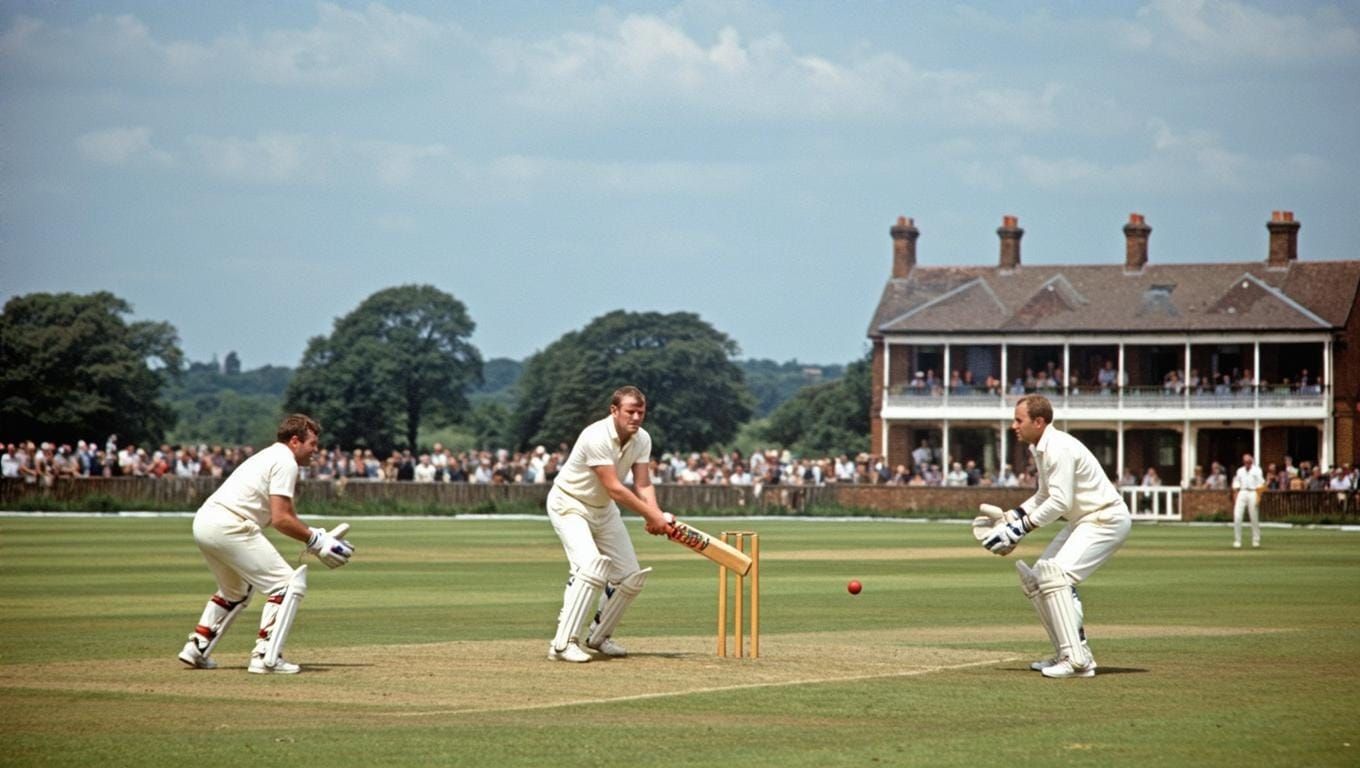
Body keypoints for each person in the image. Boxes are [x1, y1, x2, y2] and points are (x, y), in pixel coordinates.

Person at [177, 414, 353, 674]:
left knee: (235, 591)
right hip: (230, 525)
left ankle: (196, 647)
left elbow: (276, 516)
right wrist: (315, 541)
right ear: (295, 441)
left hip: (205, 522)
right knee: (286, 584)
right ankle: (266, 656)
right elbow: (282, 519)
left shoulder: (269, 456)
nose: (316, 450)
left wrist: (316, 535)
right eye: (313, 443)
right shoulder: (286, 462)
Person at [980, 394, 1132, 679]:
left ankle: (1077, 661)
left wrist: (1019, 529)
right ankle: (1067, 652)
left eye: (1018, 420)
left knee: (1056, 576)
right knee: (1039, 578)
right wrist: (1011, 518)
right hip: (1085, 520)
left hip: (1105, 518)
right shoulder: (1041, 448)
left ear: (1039, 422)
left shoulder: (1058, 447)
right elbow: (1044, 496)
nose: (1014, 425)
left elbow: (1060, 503)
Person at [546, 386, 671, 663]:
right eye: (630, 411)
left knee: (630, 577)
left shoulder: (642, 439)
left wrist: (656, 513)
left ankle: (599, 636)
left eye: (641, 412)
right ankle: (562, 644)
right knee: (590, 567)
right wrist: (652, 517)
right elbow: (615, 487)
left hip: (603, 510)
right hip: (570, 504)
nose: (636, 417)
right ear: (614, 411)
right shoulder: (595, 436)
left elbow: (643, 483)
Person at [1230, 453, 1266, 549]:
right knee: (1237, 516)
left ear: (1252, 461)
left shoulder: (1257, 470)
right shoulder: (1240, 471)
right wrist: (1235, 495)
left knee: (1254, 517)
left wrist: (1259, 496)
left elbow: (1261, 484)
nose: (1247, 463)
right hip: (1242, 492)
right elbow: (1236, 483)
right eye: (1245, 462)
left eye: (1249, 462)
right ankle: (1237, 540)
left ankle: (1256, 540)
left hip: (1253, 492)